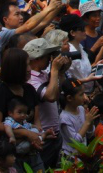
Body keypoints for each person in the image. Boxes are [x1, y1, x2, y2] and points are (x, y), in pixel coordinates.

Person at [24, 38, 69, 169]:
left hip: (55, 133)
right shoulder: (30, 80)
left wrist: (60, 73)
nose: (51, 59)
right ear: (37, 58)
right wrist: (54, 71)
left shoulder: (44, 74)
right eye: (48, 56)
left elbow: (57, 92)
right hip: (42, 136)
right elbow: (50, 96)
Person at [59, 79, 98, 156]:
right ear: (70, 98)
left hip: (82, 153)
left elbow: (89, 135)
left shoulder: (81, 109)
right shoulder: (64, 118)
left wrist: (90, 122)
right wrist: (87, 122)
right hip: (71, 156)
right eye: (81, 94)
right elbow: (75, 141)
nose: (85, 97)